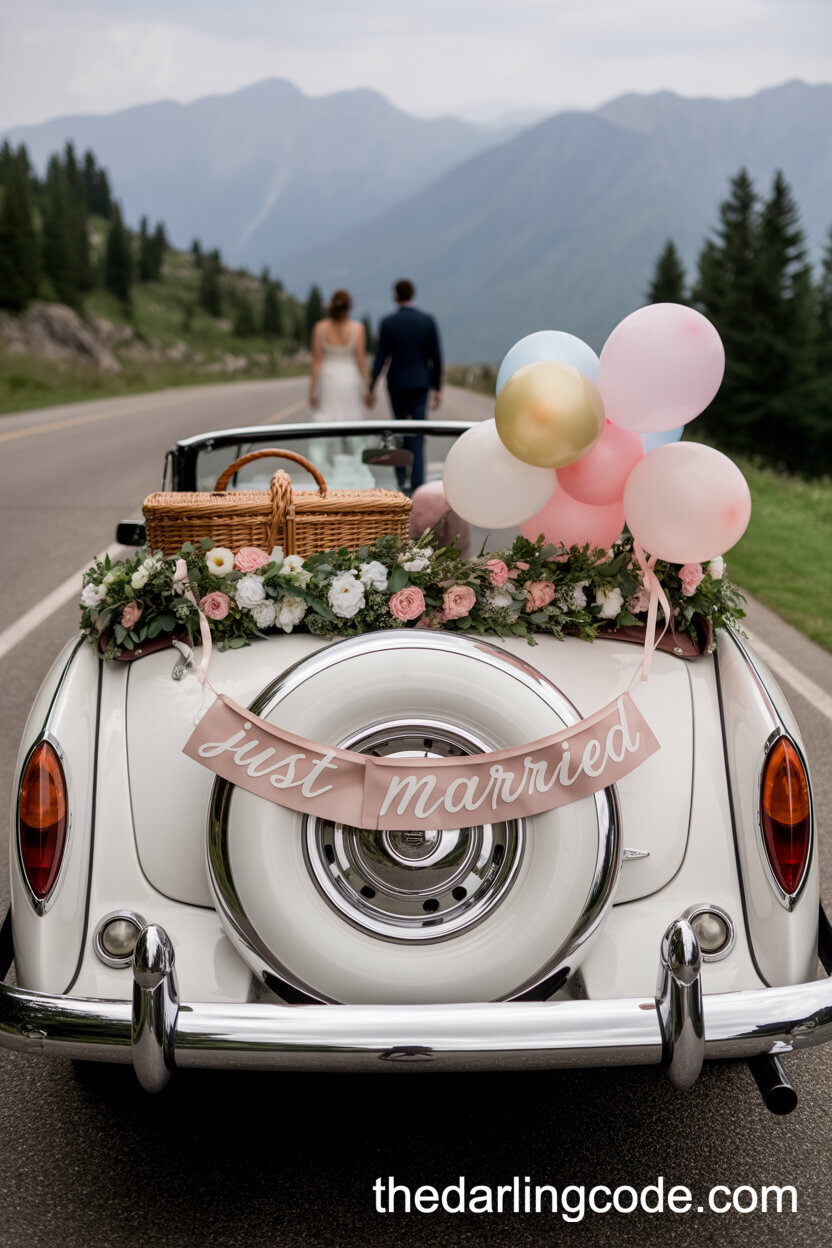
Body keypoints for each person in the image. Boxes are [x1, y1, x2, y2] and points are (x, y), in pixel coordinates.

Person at [367, 278, 443, 491]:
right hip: (421, 383)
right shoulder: (427, 321)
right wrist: (438, 388)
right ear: (413, 294)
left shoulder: (388, 323)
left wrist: (371, 385)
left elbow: (381, 357)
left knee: (399, 431)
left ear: (396, 295)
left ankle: (402, 481)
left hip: (397, 383)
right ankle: (418, 485)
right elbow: (436, 357)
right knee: (418, 434)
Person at [308, 289, 371, 421]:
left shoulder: (320, 328)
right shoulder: (357, 328)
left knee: (328, 414)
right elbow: (360, 360)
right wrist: (367, 387)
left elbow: (317, 361)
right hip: (350, 376)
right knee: (351, 414)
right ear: (349, 307)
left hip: (328, 377)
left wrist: (313, 390)